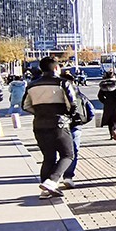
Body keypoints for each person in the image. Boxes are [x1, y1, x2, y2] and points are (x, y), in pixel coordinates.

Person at [23, 56, 77, 197]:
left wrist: (40, 112)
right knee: (67, 154)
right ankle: (52, 181)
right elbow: (72, 104)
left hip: (39, 124)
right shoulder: (63, 83)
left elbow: (25, 105)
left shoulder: (32, 85)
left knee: (48, 157)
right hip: (59, 123)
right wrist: (68, 116)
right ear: (56, 68)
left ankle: (45, 190)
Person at [60, 70, 94, 190]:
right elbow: (91, 112)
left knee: (59, 151)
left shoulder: (56, 95)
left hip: (59, 126)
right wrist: (81, 122)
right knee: (73, 151)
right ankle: (68, 176)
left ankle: (54, 176)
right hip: (75, 126)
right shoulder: (79, 94)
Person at [97, 69, 116, 140]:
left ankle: (111, 135)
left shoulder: (104, 85)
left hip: (107, 104)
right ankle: (115, 130)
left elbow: (100, 96)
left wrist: (105, 101)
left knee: (109, 120)